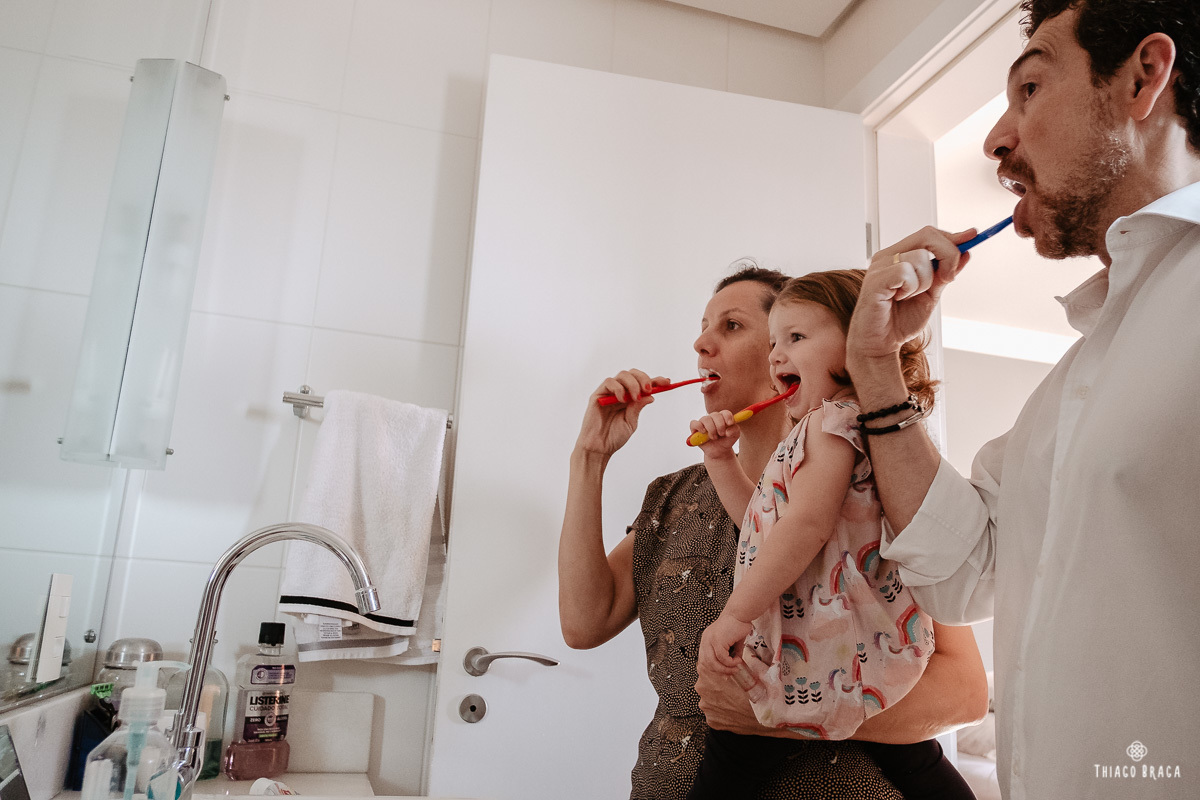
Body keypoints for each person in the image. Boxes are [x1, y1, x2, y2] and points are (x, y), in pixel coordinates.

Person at [843, 2, 1200, 798]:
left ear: (1145, 77)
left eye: (1030, 88)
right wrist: (875, 364)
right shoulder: (1067, 389)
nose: (996, 139)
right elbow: (963, 573)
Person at [559, 262, 989, 799]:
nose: (700, 344)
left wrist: (777, 715)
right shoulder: (675, 495)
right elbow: (584, 624)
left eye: (732, 326)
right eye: (703, 327)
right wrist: (590, 455)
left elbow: (966, 692)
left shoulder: (891, 475)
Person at [684, 270, 973, 799]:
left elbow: (807, 526)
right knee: (912, 758)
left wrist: (736, 615)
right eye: (774, 342)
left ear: (859, 346)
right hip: (851, 644)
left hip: (823, 638)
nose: (777, 355)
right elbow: (763, 528)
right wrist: (721, 459)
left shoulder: (831, 423)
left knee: (732, 755)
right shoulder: (823, 431)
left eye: (796, 337)